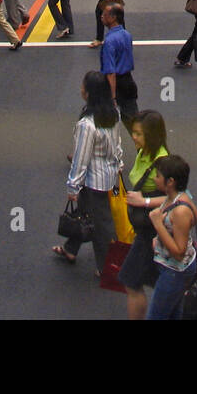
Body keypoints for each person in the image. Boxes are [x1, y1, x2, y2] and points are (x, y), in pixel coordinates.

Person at [54, 70, 123, 271]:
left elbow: (80, 158)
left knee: (102, 226)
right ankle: (70, 248)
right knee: (85, 212)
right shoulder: (113, 113)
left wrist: (72, 186)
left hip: (93, 182)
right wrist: (118, 163)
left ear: (89, 93)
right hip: (109, 175)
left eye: (83, 86)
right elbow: (117, 142)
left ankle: (109, 266)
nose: (80, 89)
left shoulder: (87, 124)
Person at [120, 110, 172, 319]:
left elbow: (181, 197)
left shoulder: (162, 162)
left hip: (152, 232)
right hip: (145, 230)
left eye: (139, 134)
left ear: (152, 135)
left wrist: (145, 201)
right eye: (133, 132)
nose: (134, 137)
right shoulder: (144, 153)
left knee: (131, 280)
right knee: (146, 279)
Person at [145, 155, 197, 320]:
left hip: (174, 271)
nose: (155, 179)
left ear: (170, 181)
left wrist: (159, 226)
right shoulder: (177, 197)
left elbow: (179, 252)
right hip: (173, 269)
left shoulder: (180, 210)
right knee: (174, 314)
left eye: (158, 176)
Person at [99, 2, 139, 128]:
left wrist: (113, 97)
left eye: (104, 14)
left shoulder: (110, 41)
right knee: (134, 122)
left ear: (113, 18)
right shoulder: (127, 35)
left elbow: (111, 72)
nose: (101, 16)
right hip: (128, 81)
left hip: (115, 85)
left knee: (105, 123)